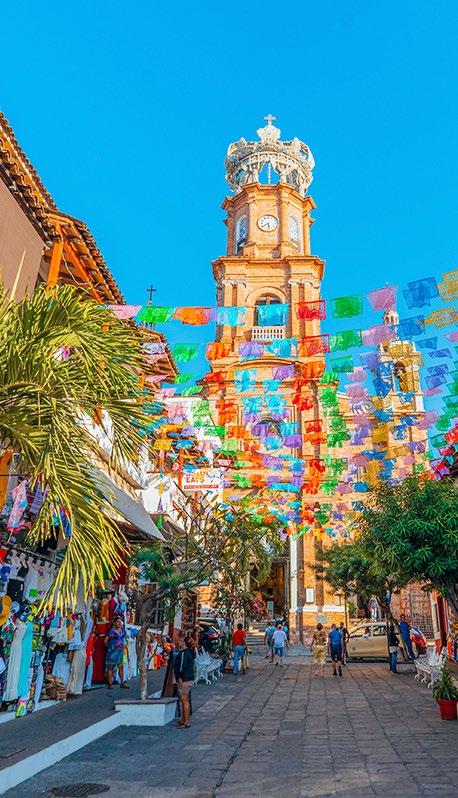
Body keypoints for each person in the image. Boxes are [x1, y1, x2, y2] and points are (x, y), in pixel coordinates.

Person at [173, 634, 196, 728]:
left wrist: (179, 678)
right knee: (185, 700)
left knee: (184, 700)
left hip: (184, 679)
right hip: (189, 678)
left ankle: (186, 722)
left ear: (184, 643)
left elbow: (182, 666)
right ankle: (184, 719)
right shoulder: (191, 652)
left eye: (181, 640)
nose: (179, 641)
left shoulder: (184, 653)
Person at [105, 615, 129, 689]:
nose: (119, 623)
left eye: (120, 622)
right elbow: (105, 641)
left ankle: (122, 683)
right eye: (118, 622)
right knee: (110, 667)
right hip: (112, 652)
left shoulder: (122, 630)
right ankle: (110, 684)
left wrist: (125, 646)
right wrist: (110, 648)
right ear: (114, 623)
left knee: (121, 667)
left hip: (120, 651)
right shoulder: (111, 631)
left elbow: (127, 639)